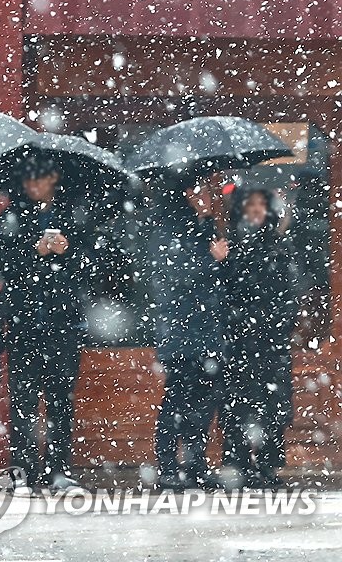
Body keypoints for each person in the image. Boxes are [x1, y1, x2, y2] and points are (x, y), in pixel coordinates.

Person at [0, 154, 89, 491]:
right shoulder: (13, 216)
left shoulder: (72, 215)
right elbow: (2, 264)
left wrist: (69, 250)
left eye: (41, 179)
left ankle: (59, 468)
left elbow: (94, 265)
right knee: (24, 400)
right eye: (29, 180)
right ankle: (23, 470)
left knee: (62, 398)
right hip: (24, 322)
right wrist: (34, 253)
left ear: (54, 180)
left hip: (63, 322)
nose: (34, 187)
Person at [147, 176, 230, 490]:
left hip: (205, 331)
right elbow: (175, 273)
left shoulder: (202, 225)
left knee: (202, 404)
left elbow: (213, 282)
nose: (205, 197)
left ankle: (195, 464)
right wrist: (212, 258)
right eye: (199, 191)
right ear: (184, 193)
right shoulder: (170, 226)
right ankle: (168, 467)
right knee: (177, 401)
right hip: (181, 332)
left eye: (208, 192)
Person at [221, 187, 297, 489]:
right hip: (240, 340)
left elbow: (288, 292)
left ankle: (266, 464)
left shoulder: (277, 245)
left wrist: (279, 323)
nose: (256, 211)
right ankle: (239, 463)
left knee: (270, 403)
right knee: (240, 403)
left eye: (261, 205)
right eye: (251, 205)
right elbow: (227, 290)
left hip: (270, 340)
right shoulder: (233, 245)